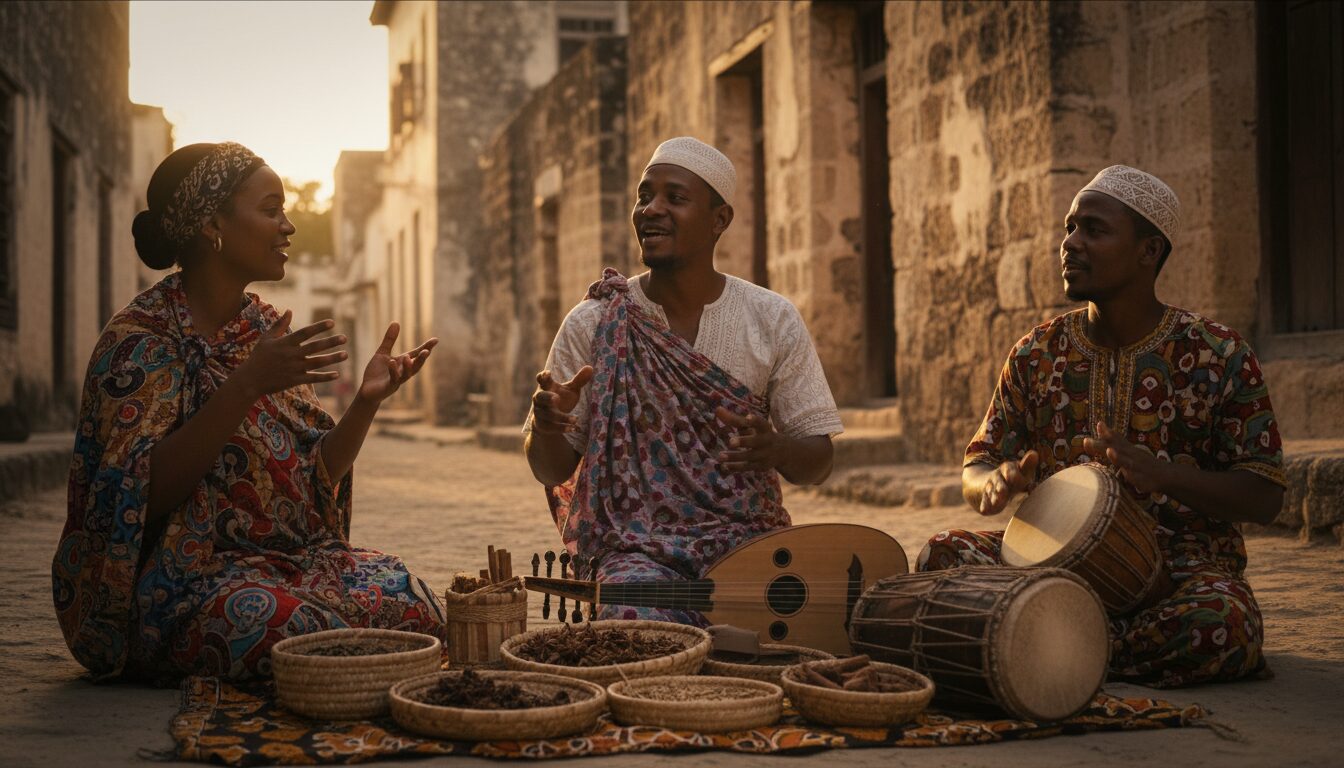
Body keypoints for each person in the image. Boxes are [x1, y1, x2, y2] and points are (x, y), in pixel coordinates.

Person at [52, 142, 446, 683]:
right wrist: (245, 385)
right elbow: (134, 498)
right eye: (270, 209)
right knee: (295, 629)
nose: (287, 226)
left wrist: (365, 403)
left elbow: (315, 477)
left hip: (290, 567)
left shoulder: (260, 331)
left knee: (413, 606)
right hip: (182, 585)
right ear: (212, 223)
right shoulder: (139, 343)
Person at [919, 165, 1285, 688]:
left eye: (1094, 229)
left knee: (1224, 624)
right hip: (1046, 567)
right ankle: (1063, 643)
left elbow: (1264, 494)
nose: (1070, 243)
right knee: (942, 555)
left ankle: (1047, 646)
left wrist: (1160, 475)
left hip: (1176, 574)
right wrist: (993, 481)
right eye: (1070, 227)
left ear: (1148, 251)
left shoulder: (1219, 353)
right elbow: (976, 463)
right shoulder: (1035, 353)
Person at [524, 137, 843, 624]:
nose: (651, 209)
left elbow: (817, 460)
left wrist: (776, 449)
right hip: (637, 551)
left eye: (675, 197)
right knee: (632, 616)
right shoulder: (595, 323)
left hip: (747, 545)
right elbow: (551, 469)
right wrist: (548, 425)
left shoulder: (771, 319)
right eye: (644, 195)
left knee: (799, 617)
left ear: (720, 221)